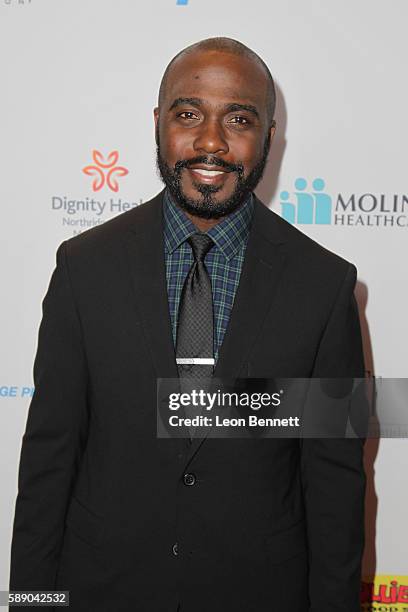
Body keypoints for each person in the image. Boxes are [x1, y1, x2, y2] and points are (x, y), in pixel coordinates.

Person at [9, 37, 366, 611]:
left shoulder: (324, 286)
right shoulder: (84, 269)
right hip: (102, 590)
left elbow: (334, 490)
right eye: (188, 114)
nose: (210, 141)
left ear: (269, 138)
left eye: (240, 119)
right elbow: (49, 463)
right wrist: (32, 605)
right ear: (157, 123)